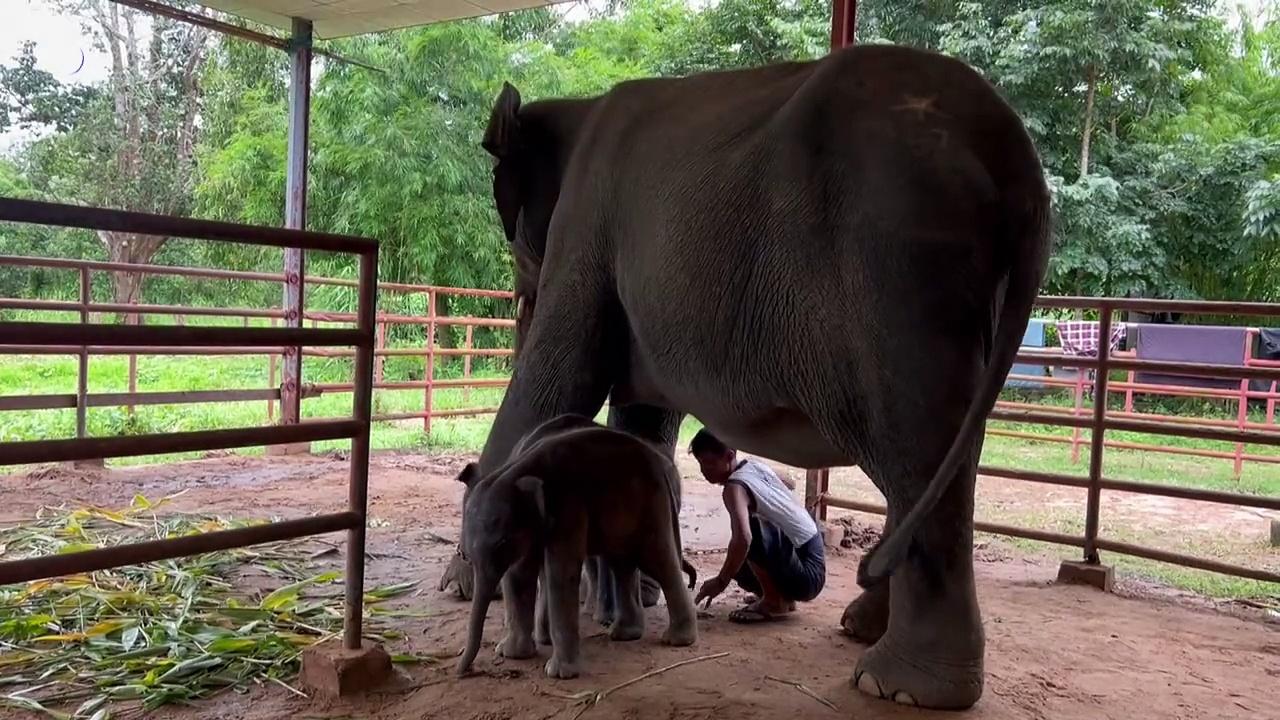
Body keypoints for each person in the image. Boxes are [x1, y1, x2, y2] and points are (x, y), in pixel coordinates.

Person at [689, 428, 826, 623]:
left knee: (746, 534)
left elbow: (744, 539)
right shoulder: (753, 465)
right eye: (701, 464)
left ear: (729, 456)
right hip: (812, 564)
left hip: (806, 576)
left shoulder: (734, 488)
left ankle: (773, 602)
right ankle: (781, 596)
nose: (704, 471)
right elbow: (788, 483)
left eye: (710, 464)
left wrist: (721, 581)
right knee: (736, 559)